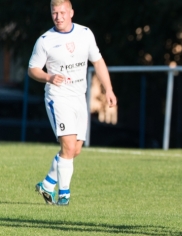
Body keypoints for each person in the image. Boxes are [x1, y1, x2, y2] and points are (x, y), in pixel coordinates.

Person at [28, 0, 117, 206]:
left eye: (62, 12)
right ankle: (64, 196)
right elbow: (33, 69)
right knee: (68, 147)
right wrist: (49, 77)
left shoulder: (85, 34)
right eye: (54, 13)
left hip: (79, 98)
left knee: (74, 150)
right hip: (58, 98)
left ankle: (47, 184)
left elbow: (98, 61)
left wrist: (109, 89)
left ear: (71, 13)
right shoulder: (45, 41)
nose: (58, 17)